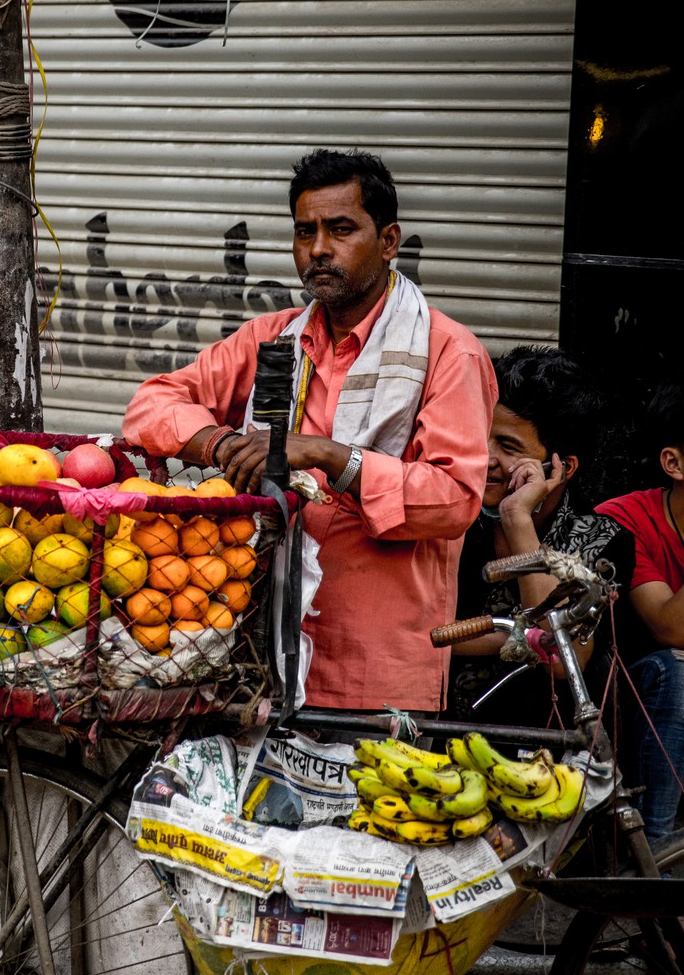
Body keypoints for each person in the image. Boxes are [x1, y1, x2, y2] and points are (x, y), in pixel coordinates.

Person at [121, 147, 496, 713]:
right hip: (256, 658)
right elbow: (152, 405)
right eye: (305, 232)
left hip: (379, 671)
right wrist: (222, 444)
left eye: (340, 229)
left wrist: (329, 455)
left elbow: (454, 500)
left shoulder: (448, 353)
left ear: (389, 241)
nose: (318, 249)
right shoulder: (271, 341)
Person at [445, 346, 635, 731]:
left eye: (509, 446)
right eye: (481, 437)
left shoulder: (602, 542)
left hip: (547, 757)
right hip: (434, 740)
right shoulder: (446, 522)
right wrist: (514, 635)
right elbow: (410, 635)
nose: (485, 457)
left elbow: (563, 657)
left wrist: (517, 519)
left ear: (562, 468)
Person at [596, 381, 684, 841]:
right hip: (638, 692)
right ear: (674, 463)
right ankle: (652, 856)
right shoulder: (624, 518)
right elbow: (671, 627)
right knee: (675, 672)